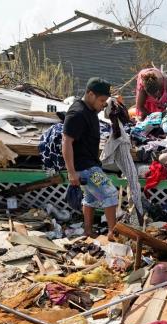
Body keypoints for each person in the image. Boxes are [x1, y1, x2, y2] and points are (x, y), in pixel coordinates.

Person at [62, 77, 117, 239]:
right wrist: (71, 172)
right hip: (85, 168)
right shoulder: (77, 113)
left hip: (90, 165)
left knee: (92, 197)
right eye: (101, 100)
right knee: (110, 193)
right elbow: (66, 142)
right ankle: (113, 233)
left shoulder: (90, 110)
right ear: (90, 94)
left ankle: (87, 231)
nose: (103, 105)